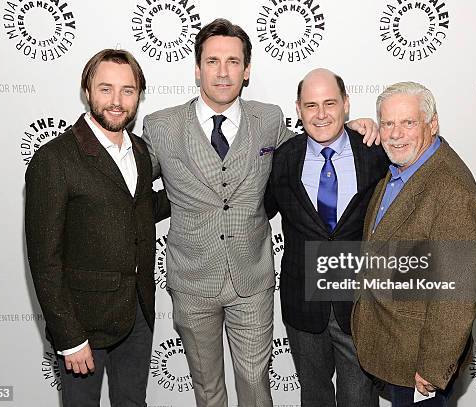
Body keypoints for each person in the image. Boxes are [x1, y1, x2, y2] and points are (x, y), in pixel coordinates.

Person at [142, 18, 377, 407]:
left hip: (253, 281)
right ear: (197, 68)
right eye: (213, 61)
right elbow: (129, 186)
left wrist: (353, 127)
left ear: (246, 70)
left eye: (233, 61)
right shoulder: (161, 126)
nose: (222, 71)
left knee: (255, 383)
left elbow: (314, 145)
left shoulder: (268, 120)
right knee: (208, 388)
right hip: (192, 282)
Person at [25, 49, 169, 407]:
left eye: (128, 90)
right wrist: (69, 336)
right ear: (87, 91)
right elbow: (45, 260)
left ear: (138, 95)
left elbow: (137, 209)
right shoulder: (54, 158)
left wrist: (198, 191)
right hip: (83, 322)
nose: (117, 101)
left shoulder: (138, 150)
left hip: (137, 313)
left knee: (133, 403)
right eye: (106, 89)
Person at [351, 81, 476, 407]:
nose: (396, 133)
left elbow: (457, 292)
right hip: (396, 347)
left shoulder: (452, 191)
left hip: (420, 365)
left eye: (408, 123)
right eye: (388, 123)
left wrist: (433, 366)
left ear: (432, 123)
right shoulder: (406, 166)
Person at [266, 68, 388, 406]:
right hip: (303, 303)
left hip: (360, 305)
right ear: (298, 108)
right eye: (311, 105)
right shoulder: (283, 159)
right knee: (314, 397)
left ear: (346, 104)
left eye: (330, 103)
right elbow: (259, 210)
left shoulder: (375, 154)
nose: (321, 115)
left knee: (359, 399)